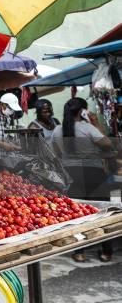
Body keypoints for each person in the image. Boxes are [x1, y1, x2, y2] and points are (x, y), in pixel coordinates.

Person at [52, 97, 113, 262]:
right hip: (93, 173)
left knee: (78, 214)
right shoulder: (88, 128)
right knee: (103, 212)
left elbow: (56, 154)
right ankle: (106, 250)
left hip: (71, 175)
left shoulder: (57, 130)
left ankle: (79, 251)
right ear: (82, 111)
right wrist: (95, 122)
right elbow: (107, 144)